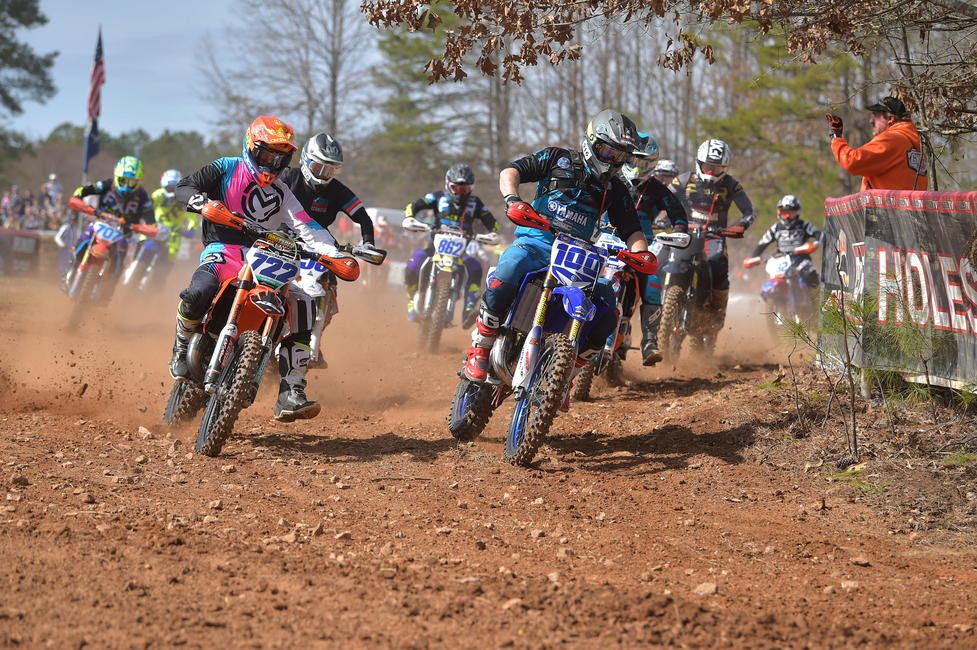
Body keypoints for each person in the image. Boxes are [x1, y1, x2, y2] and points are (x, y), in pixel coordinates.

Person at [464, 109, 655, 384]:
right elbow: (512, 171)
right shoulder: (557, 158)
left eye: (621, 156)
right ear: (591, 142)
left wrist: (641, 253)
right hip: (537, 241)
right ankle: (481, 346)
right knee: (509, 268)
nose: (613, 161)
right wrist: (512, 199)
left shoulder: (616, 188)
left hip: (579, 256)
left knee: (608, 311)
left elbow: (631, 228)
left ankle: (567, 375)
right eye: (608, 152)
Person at [170, 116, 341, 422]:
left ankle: (291, 389)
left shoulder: (283, 192)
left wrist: (334, 253)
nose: (272, 164)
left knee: (304, 302)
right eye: (266, 155)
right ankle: (182, 344)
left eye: (280, 158)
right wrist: (201, 202)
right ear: (251, 147)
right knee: (199, 291)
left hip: (266, 255)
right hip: (224, 250)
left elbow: (308, 226)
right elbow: (185, 186)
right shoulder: (227, 167)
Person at [279, 132, 381, 368]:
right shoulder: (288, 177)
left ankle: (311, 340)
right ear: (306, 160)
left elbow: (363, 217)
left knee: (330, 288)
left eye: (330, 170)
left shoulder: (336, 190)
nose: (323, 174)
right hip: (281, 240)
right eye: (319, 167)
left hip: (318, 247)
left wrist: (368, 243)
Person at [671, 139, 756, 348]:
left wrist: (741, 226)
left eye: (717, 168)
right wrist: (663, 217)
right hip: (687, 232)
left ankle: (717, 311)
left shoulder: (731, 185)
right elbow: (665, 200)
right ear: (699, 162)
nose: (711, 172)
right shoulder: (683, 180)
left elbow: (749, 212)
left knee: (718, 263)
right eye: (708, 167)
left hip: (715, 236)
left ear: (725, 168)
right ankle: (663, 306)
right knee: (666, 259)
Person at [403, 164, 500, 326]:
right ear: (448, 185)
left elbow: (492, 222)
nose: (460, 192)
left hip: (461, 252)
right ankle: (411, 303)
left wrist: (493, 233)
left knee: (475, 267)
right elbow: (413, 206)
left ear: (471, 188)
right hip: (434, 248)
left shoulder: (475, 203)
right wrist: (409, 217)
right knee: (415, 260)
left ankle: (469, 310)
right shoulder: (437, 197)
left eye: (464, 189)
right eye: (456, 188)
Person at [621, 133, 688, 365]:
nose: (636, 167)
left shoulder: (656, 189)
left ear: (652, 165)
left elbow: (678, 214)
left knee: (652, 281)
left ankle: (649, 341)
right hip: (606, 240)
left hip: (642, 243)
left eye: (643, 163)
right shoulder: (611, 179)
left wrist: (679, 229)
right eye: (632, 160)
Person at [67, 156, 154, 293]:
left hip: (124, 234)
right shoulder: (107, 185)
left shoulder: (143, 197)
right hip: (101, 223)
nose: (127, 185)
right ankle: (71, 269)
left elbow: (152, 224)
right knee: (82, 242)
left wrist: (139, 227)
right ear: (116, 177)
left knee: (119, 264)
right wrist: (87, 207)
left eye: (132, 182)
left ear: (138, 181)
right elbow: (80, 192)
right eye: (123, 180)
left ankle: (108, 291)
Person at [826, 96, 928, 191]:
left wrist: (836, 137)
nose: (871, 121)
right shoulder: (914, 144)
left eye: (875, 115)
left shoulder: (892, 139)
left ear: (890, 119)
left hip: (887, 205)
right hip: (906, 204)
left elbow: (852, 161)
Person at [742, 194, 823, 289]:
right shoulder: (775, 228)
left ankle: (818, 293)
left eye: (790, 213)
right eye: (784, 213)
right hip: (781, 261)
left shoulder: (804, 225)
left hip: (800, 259)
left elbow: (820, 235)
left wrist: (815, 244)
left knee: (809, 274)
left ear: (797, 212)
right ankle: (772, 296)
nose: (787, 217)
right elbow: (762, 244)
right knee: (771, 285)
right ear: (779, 213)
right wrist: (753, 258)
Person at [145, 169, 199, 283]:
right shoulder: (158, 195)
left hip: (174, 236)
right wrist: (148, 223)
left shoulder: (184, 200)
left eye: (174, 187)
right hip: (155, 231)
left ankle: (156, 288)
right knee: (143, 255)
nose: (171, 190)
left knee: (164, 269)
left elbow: (193, 219)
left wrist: (190, 230)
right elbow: (147, 209)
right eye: (169, 187)